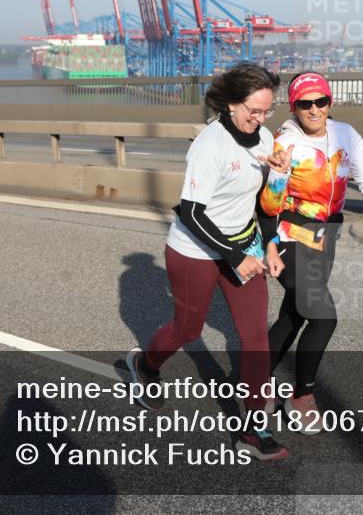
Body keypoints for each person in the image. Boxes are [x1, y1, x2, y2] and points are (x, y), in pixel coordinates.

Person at [127, 61, 289, 461]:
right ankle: (146, 366)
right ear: (232, 103)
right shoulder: (210, 145)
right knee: (188, 329)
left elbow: (264, 203)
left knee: (255, 338)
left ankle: (253, 428)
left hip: (245, 246)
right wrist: (234, 256)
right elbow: (191, 213)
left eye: (267, 110)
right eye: (254, 110)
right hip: (194, 251)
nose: (260, 118)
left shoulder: (265, 138)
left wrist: (270, 244)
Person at [259, 71, 363, 432]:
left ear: (330, 102)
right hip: (290, 234)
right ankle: (302, 396)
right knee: (323, 316)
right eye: (305, 103)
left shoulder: (346, 134)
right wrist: (278, 175)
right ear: (294, 107)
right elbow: (268, 206)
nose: (314, 109)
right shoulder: (284, 143)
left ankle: (255, 379)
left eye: (321, 101)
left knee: (295, 314)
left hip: (327, 235)